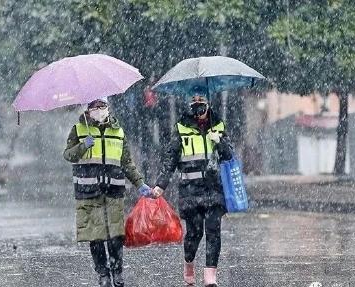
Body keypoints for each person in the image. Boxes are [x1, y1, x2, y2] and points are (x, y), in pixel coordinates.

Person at [63, 97, 151, 287]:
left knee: (115, 235)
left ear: (108, 108)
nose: (100, 110)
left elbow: (126, 162)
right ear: (88, 110)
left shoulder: (118, 131)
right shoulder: (79, 130)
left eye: (103, 106)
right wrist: (82, 146)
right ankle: (103, 273)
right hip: (88, 191)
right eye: (95, 107)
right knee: (95, 236)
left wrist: (140, 184)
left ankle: (117, 272)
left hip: (114, 190)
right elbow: (68, 155)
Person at [152, 89, 233, 287]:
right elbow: (170, 159)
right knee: (195, 234)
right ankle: (189, 263)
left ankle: (210, 276)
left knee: (213, 231)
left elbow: (229, 155)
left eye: (201, 100)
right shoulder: (181, 127)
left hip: (214, 189)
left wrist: (219, 141)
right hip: (190, 190)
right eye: (194, 101)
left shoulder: (219, 125)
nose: (197, 104)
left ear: (208, 103)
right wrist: (161, 184)